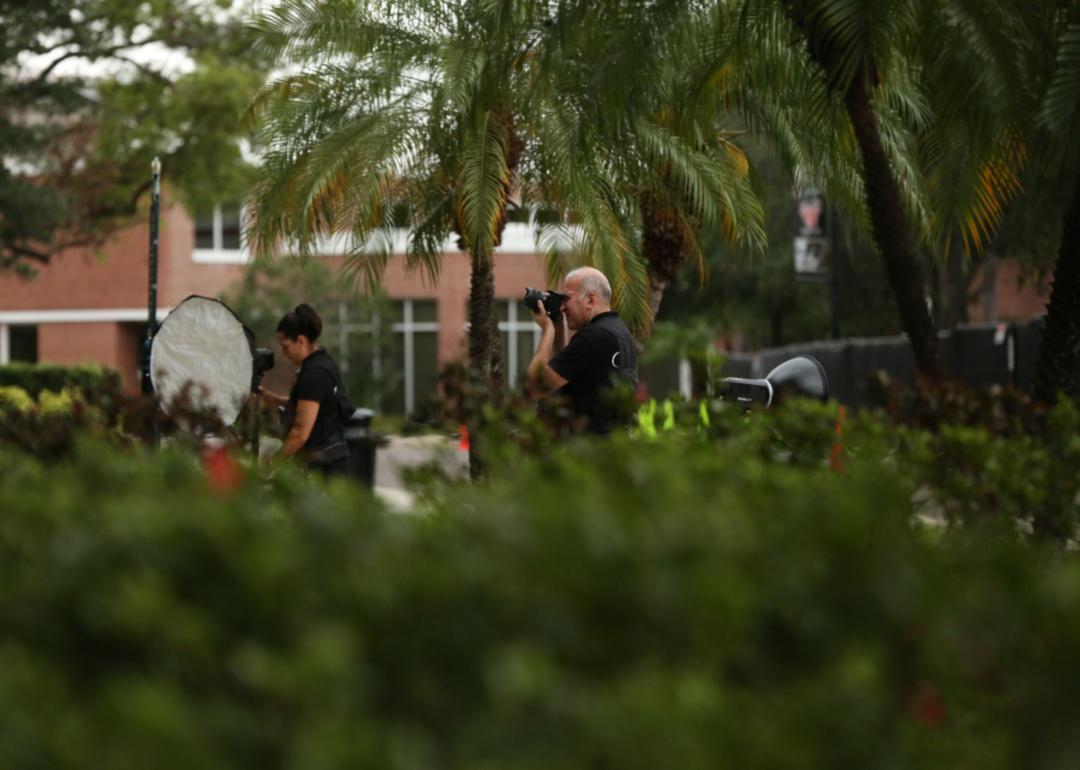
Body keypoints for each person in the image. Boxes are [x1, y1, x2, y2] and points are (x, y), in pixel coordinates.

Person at [525, 266, 639, 434]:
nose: (563, 307)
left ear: (590, 300)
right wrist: (558, 325)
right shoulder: (620, 333)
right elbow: (566, 371)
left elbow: (535, 387)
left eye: (567, 299)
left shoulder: (592, 337)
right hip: (611, 443)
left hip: (585, 448)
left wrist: (547, 330)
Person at [259, 303, 352, 475]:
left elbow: (300, 433)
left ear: (300, 341)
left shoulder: (314, 374)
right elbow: (316, 404)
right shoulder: (323, 363)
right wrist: (276, 400)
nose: (283, 353)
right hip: (332, 462)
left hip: (325, 470)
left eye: (285, 346)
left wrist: (273, 463)